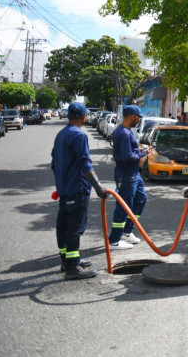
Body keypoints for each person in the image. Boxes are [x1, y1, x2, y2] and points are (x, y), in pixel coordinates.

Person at [51, 102, 108, 280]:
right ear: (84, 117)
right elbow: (85, 164)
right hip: (77, 189)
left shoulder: (61, 135)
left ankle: (67, 260)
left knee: (64, 225)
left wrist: (62, 182)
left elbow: (54, 162)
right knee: (75, 228)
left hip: (65, 189)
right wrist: (99, 187)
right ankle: (72, 268)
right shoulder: (79, 136)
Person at [108, 105, 153, 250]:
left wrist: (140, 150)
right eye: (138, 117)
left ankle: (127, 232)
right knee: (123, 207)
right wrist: (144, 153)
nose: (139, 120)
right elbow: (128, 157)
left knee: (141, 200)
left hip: (134, 174)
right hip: (126, 175)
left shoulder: (124, 131)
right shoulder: (125, 133)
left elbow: (128, 152)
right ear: (132, 116)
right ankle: (114, 240)